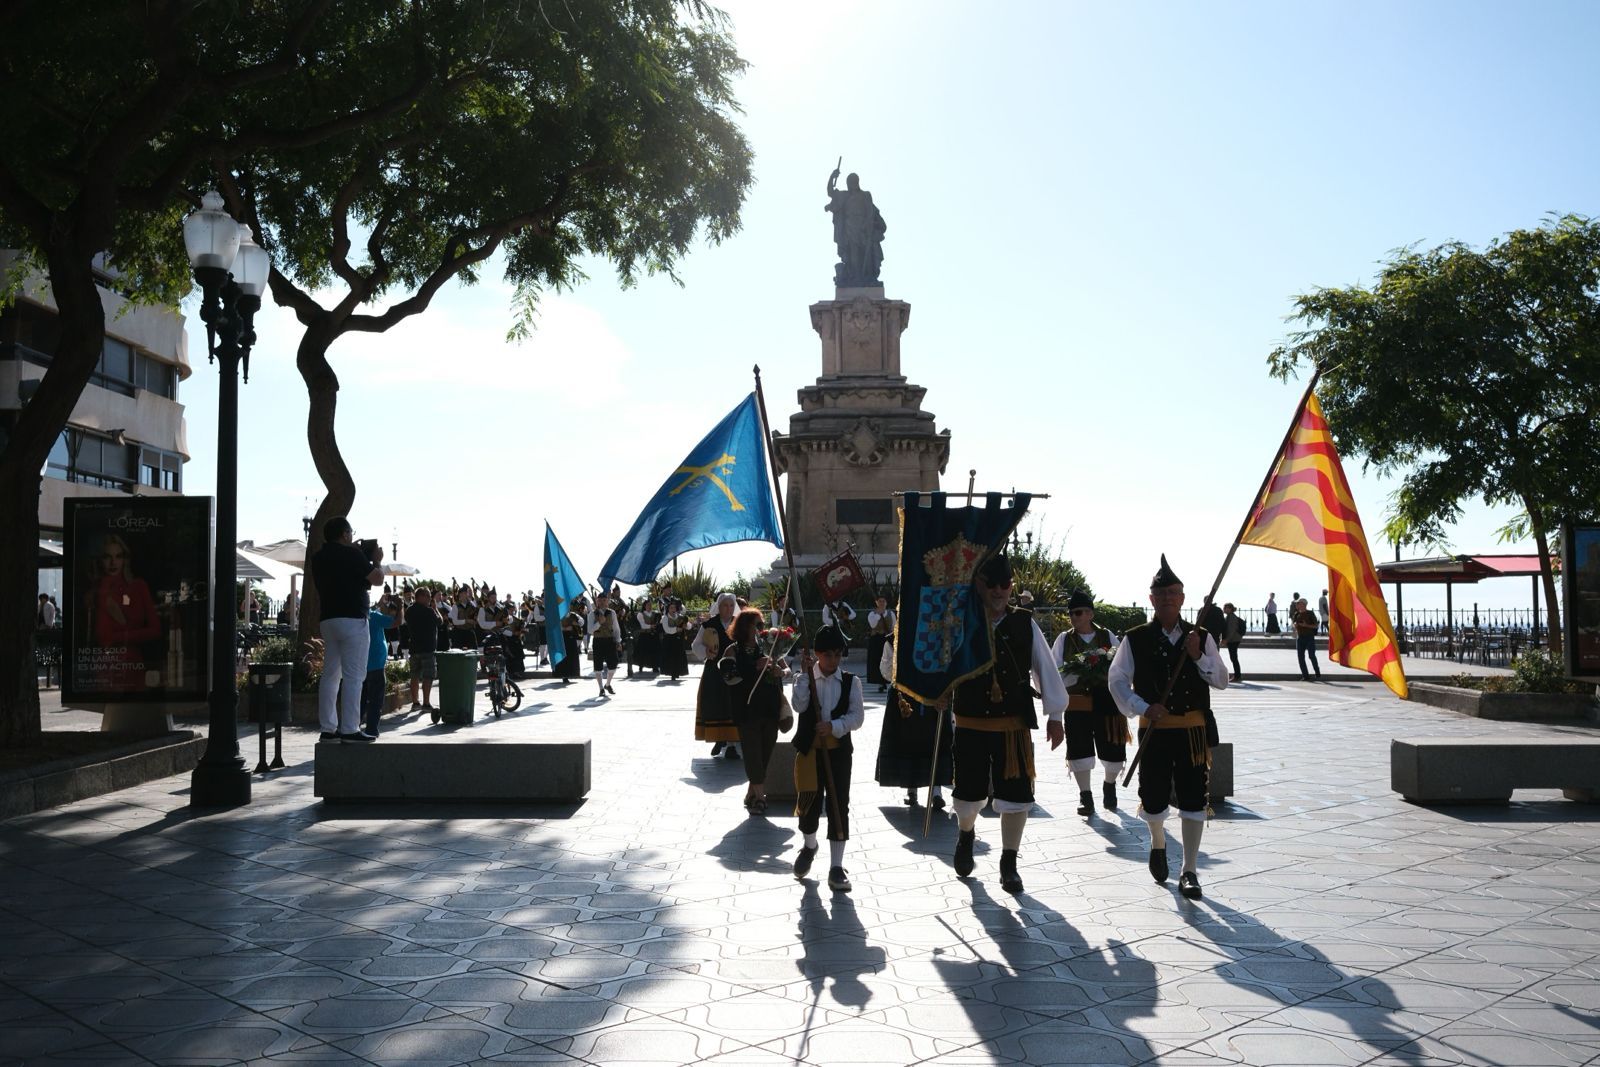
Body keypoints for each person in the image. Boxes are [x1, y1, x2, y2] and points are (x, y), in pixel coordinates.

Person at [1108, 556, 1229, 900]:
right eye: (1160, 594)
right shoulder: (1135, 639)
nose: (1167, 599)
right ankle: (1158, 842)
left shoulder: (1201, 636)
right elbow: (1116, 681)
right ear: (1151, 600)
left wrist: (1198, 657)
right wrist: (1143, 707)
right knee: (1153, 795)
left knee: (1194, 797)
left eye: (1173, 593)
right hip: (1155, 732)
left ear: (1182, 598)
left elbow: (1221, 680)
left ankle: (1189, 870)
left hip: (1192, 732)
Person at [948, 553, 1069, 894]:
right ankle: (966, 833)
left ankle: (1009, 863)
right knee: (969, 794)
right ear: (979, 585)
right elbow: (943, 664)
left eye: (1005, 585)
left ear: (1011, 587)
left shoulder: (1024, 623)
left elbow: (1044, 668)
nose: (999, 591)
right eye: (992, 585)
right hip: (970, 721)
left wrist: (1055, 716)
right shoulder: (960, 620)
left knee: (1016, 794)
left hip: (1012, 725)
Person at [791, 625, 864, 891]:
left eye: (837, 655)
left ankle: (836, 866)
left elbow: (857, 717)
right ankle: (810, 846)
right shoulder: (806, 677)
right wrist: (802, 676)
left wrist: (833, 726)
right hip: (810, 752)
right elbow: (798, 706)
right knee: (809, 802)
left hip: (839, 753)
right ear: (817, 654)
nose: (833, 660)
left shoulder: (851, 682)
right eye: (828, 655)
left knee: (838, 804)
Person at [1050, 590, 1126, 817]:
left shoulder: (1107, 636)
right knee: (1079, 749)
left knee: (1113, 747)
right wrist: (1072, 677)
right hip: (1077, 702)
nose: (1074, 616)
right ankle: (1086, 796)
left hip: (1107, 701)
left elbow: (1121, 664)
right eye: (1071, 613)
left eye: (1079, 612)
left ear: (1090, 614)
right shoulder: (1064, 639)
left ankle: (1109, 785)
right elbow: (1055, 670)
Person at [310, 519, 383, 743]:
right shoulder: (353, 556)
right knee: (354, 676)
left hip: (329, 620)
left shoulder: (318, 558)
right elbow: (377, 579)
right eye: (350, 532)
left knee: (331, 675)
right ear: (344, 534)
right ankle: (350, 728)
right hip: (352, 619)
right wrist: (377, 560)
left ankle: (328, 728)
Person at [719, 606, 789, 814]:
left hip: (770, 706)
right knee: (751, 753)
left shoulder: (770, 647)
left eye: (762, 624)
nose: (761, 629)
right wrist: (754, 667)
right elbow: (729, 677)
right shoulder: (733, 650)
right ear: (744, 627)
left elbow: (787, 669)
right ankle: (760, 798)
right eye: (757, 625)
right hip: (746, 709)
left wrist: (780, 671)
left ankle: (751, 792)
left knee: (766, 752)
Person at [875, 631, 950, 808]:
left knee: (935, 742)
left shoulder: (936, 634)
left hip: (933, 693)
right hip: (904, 696)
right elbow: (885, 670)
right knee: (908, 741)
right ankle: (911, 789)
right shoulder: (892, 640)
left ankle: (936, 791)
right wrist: (903, 672)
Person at [84, 532, 161, 691]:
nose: (113, 562)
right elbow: (102, 636)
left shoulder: (138, 586)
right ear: (100, 560)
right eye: (107, 557)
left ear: (125, 559)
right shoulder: (96, 593)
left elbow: (155, 630)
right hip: (107, 666)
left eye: (118, 556)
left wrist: (120, 636)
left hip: (133, 664)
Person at [693, 592, 741, 760]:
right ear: (718, 607)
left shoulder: (739, 624)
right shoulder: (709, 624)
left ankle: (732, 746)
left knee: (732, 706)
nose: (727, 609)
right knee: (715, 704)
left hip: (733, 670)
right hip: (714, 671)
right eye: (724, 605)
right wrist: (705, 651)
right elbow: (696, 645)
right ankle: (719, 738)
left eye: (730, 605)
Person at [824, 166, 886, 287]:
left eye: (853, 181)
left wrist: (867, 225)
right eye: (849, 182)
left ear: (857, 182)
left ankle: (867, 277)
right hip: (849, 228)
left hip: (864, 228)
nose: (851, 184)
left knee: (866, 253)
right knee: (853, 254)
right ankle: (856, 277)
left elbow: (870, 212)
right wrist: (832, 176)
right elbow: (830, 192)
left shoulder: (865, 195)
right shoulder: (844, 196)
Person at [361, 599, 396, 737]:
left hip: (362, 663)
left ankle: (353, 726)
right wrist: (399, 607)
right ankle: (371, 729)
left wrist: (381, 605)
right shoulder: (374, 616)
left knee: (361, 698)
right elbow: (395, 622)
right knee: (376, 699)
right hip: (376, 664)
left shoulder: (360, 616)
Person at [405, 587, 441, 711]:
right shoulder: (429, 611)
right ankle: (426, 703)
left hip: (414, 648)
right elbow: (440, 621)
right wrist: (435, 609)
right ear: (420, 596)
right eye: (428, 596)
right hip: (427, 649)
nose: (430, 599)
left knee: (414, 676)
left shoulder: (409, 611)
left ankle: (415, 703)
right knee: (428, 676)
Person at [588, 591, 623, 698]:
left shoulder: (611, 613)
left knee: (613, 665)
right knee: (598, 667)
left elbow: (616, 629)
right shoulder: (592, 614)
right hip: (598, 641)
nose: (602, 602)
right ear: (597, 602)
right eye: (600, 600)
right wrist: (599, 623)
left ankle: (607, 684)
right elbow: (590, 630)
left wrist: (618, 641)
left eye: (605, 600)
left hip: (609, 640)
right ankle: (601, 688)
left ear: (607, 601)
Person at [866, 595, 895, 693]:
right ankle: (880, 682)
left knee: (889, 660)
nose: (882, 603)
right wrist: (878, 614)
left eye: (883, 601)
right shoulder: (872, 614)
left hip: (887, 639)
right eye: (880, 601)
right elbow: (872, 625)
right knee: (877, 661)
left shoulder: (891, 614)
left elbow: (894, 627)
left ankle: (890, 680)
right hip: (876, 640)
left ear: (886, 603)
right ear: (876, 603)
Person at [657, 599, 689, 681]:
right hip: (669, 641)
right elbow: (667, 629)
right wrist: (676, 629)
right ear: (668, 609)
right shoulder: (665, 618)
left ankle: (677, 672)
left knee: (679, 657)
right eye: (671, 608)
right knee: (671, 657)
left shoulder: (680, 616)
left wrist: (686, 626)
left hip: (678, 641)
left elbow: (689, 626)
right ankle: (672, 674)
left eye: (674, 608)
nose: (673, 610)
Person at [1294, 598, 1322, 680]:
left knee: (1311, 655)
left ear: (1303, 604)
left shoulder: (1310, 613)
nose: (1297, 605)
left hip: (1309, 637)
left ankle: (1317, 672)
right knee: (1300, 657)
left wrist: (1306, 625)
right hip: (1300, 638)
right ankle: (1305, 676)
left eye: (1298, 603)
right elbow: (1295, 623)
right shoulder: (1296, 614)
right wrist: (1294, 625)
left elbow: (1316, 626)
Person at [1221, 602, 1246, 683]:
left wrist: (1226, 640)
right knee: (1233, 657)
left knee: (1234, 658)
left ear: (1230, 609)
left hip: (1233, 640)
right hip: (1233, 639)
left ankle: (1237, 676)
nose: (1224, 609)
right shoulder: (1229, 616)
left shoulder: (1231, 617)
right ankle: (1237, 675)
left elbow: (1231, 630)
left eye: (1225, 608)